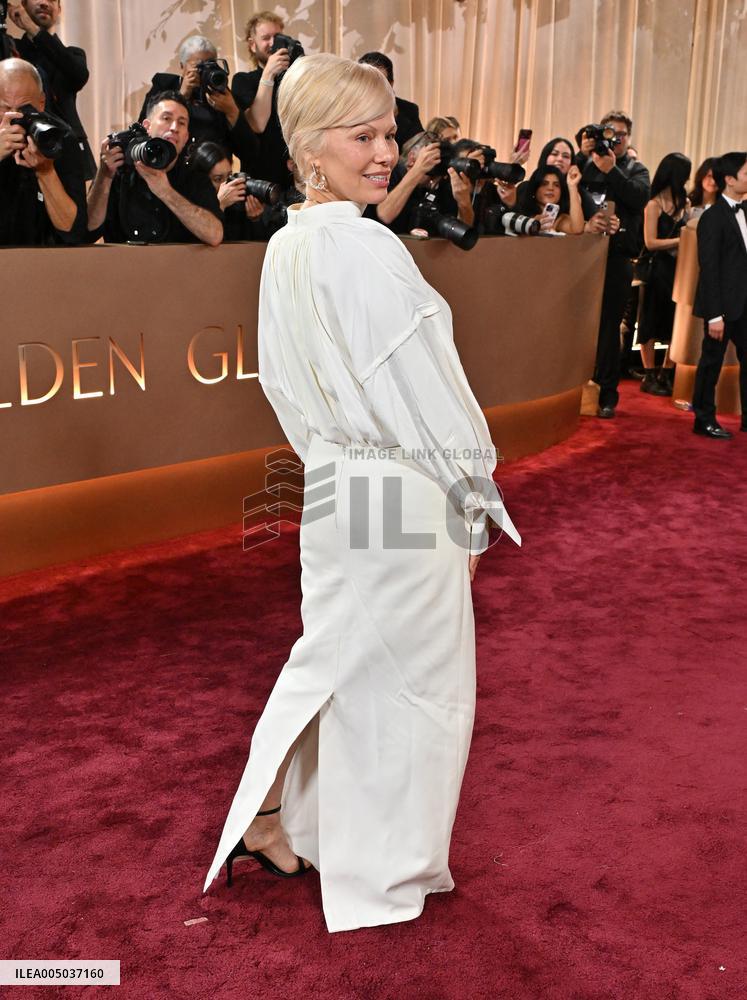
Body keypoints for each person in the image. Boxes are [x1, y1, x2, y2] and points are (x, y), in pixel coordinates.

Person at [203, 52, 521, 934]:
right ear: (309, 146)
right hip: (407, 484)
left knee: (341, 656)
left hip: (338, 481)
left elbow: (284, 383)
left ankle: (271, 818)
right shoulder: (362, 245)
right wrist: (471, 491)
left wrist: (334, 460)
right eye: (363, 135)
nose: (385, 152)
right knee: (410, 684)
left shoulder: (290, 242)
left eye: (388, 133)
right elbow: (425, 387)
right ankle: (382, 869)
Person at [577, 111, 650, 417]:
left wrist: (611, 170)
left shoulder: (636, 169)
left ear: (629, 138)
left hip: (619, 257)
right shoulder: (585, 164)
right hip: (581, 254)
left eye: (621, 134)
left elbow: (638, 199)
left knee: (609, 326)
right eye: (610, 132)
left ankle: (608, 392)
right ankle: (575, 385)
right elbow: (570, 189)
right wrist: (585, 157)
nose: (615, 138)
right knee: (578, 322)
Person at [87, 91, 223, 246]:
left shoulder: (194, 177)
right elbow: (88, 232)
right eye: (166, 118)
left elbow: (215, 235)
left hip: (179, 268)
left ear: (186, 137)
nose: (174, 128)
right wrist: (104, 176)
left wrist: (165, 191)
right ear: (147, 127)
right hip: (123, 267)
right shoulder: (119, 170)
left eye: (181, 122)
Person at [138, 35, 258, 172]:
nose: (205, 71)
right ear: (182, 66)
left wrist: (232, 111)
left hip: (214, 180)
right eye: (198, 66)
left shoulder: (222, 93)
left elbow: (250, 152)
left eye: (210, 65)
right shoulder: (164, 85)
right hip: (173, 173)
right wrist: (181, 95)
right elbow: (143, 131)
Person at [0, 57, 86, 246]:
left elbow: (73, 232)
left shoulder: (62, 138)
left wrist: (46, 171)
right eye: (4, 108)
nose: (14, 117)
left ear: (41, 103)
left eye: (24, 108)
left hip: (43, 263)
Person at [690, 151, 747, 439]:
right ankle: (704, 418)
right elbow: (709, 269)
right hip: (722, 306)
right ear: (729, 179)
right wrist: (714, 314)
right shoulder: (712, 218)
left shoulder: (746, 210)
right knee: (711, 362)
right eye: (746, 173)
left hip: (745, 304)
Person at [9, 0, 96, 178]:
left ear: (59, 10)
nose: (43, 3)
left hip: (66, 148)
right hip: (19, 148)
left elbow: (78, 75)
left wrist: (33, 29)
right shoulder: (12, 50)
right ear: (23, 5)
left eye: (51, 0)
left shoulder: (72, 54)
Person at [636, 152, 692, 396]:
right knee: (649, 319)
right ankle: (649, 374)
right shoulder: (653, 204)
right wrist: (678, 241)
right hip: (656, 268)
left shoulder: (685, 204)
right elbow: (650, 242)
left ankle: (666, 373)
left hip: (678, 270)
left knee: (673, 321)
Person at [368, 129, 476, 232]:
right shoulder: (390, 173)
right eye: (430, 163)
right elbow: (384, 215)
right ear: (411, 159)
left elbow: (463, 231)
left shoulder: (442, 183)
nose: (433, 177)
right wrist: (418, 170)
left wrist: (464, 202)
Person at [231, 11, 293, 188]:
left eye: (278, 37)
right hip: (260, 183)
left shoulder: (294, 79)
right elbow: (257, 123)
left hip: (294, 180)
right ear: (252, 45)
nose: (273, 43)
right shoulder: (243, 80)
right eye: (266, 38)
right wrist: (269, 74)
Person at [358, 51, 423, 150]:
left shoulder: (409, 110)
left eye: (379, 81)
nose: (372, 87)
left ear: (391, 84)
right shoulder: (350, 111)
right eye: (367, 80)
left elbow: (418, 147)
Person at [515, 164, 584, 234]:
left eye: (556, 185)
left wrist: (572, 186)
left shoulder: (560, 219)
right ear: (534, 189)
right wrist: (530, 224)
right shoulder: (520, 214)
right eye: (544, 184)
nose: (550, 188)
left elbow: (577, 229)